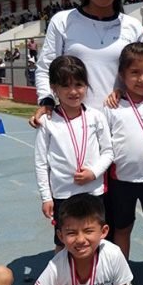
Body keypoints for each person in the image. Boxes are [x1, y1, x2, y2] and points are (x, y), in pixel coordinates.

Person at [31, 0, 143, 123]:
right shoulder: (62, 20)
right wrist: (46, 100)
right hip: (76, 123)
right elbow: (46, 66)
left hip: (122, 121)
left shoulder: (133, 26)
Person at [35, 55, 113, 253]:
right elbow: (41, 163)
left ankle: (97, 279)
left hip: (93, 191)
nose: (73, 91)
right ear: (54, 88)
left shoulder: (96, 116)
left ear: (86, 85)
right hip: (63, 194)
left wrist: (93, 172)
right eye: (65, 86)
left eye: (79, 84)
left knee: (95, 238)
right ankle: (63, 280)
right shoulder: (48, 122)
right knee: (63, 242)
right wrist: (46, 197)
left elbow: (108, 152)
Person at [103, 43, 143, 259]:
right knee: (122, 229)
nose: (142, 79)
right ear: (122, 74)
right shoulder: (112, 106)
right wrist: (117, 92)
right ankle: (122, 274)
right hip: (121, 181)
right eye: (135, 73)